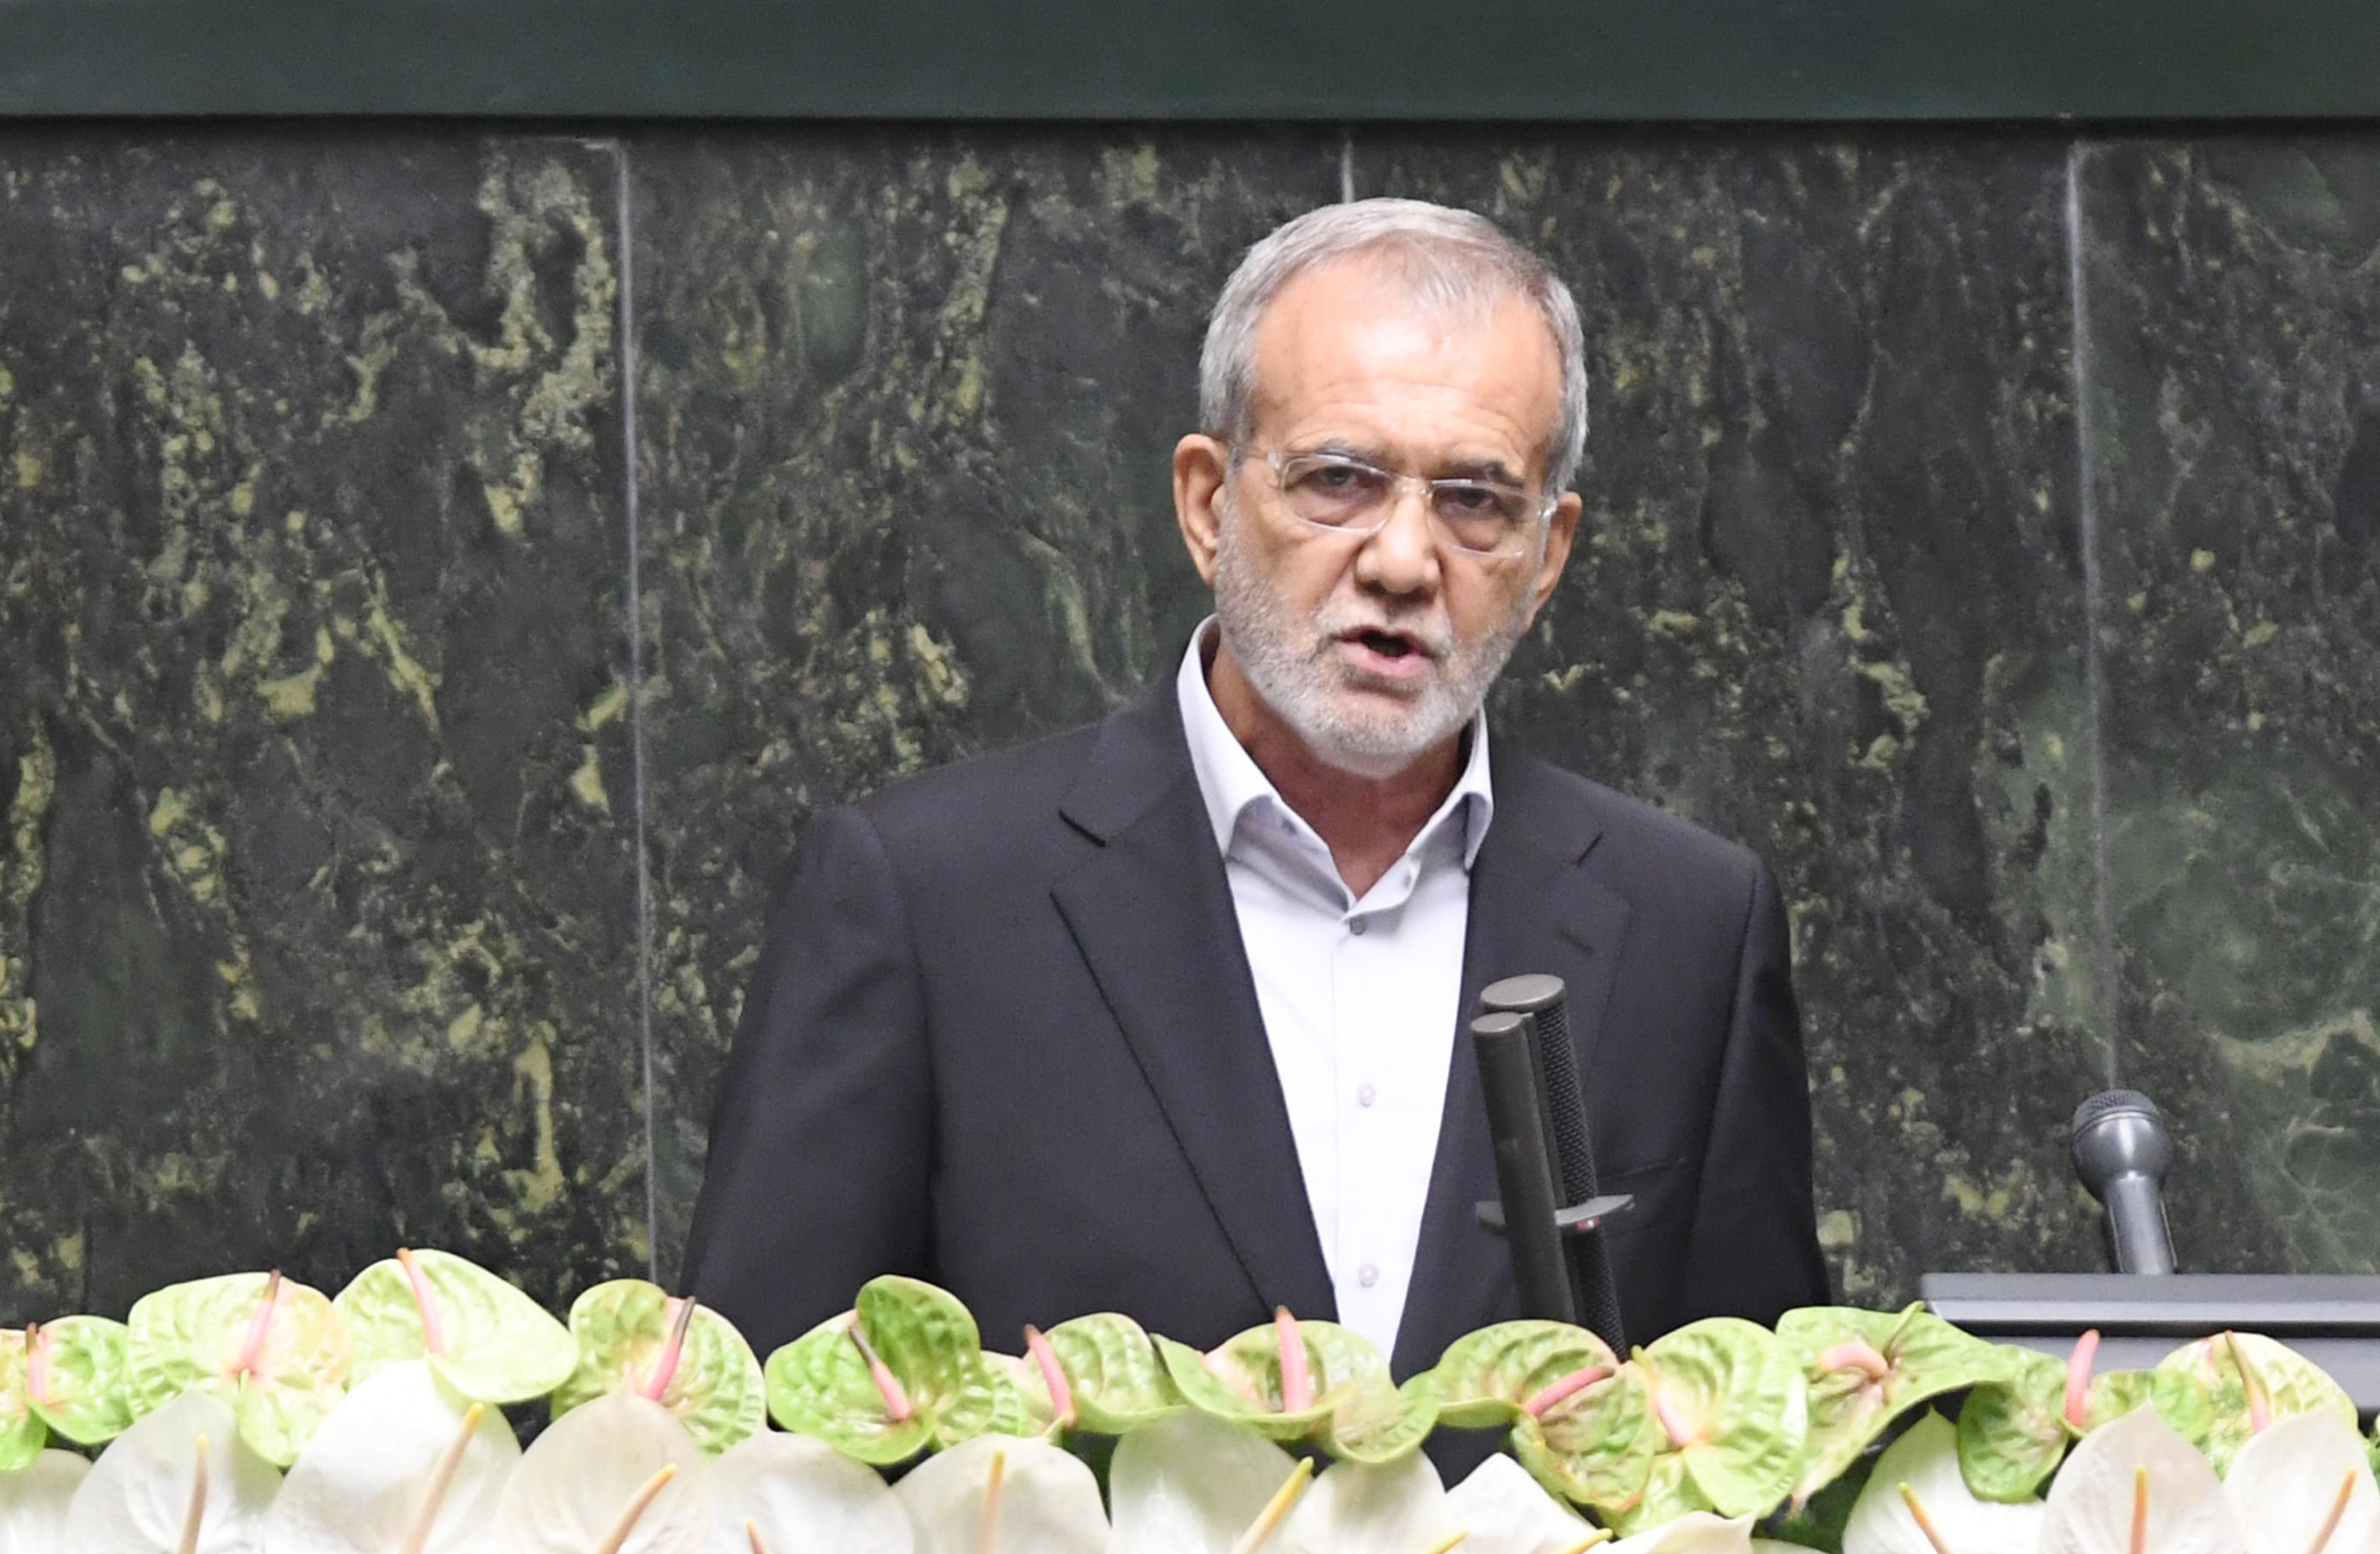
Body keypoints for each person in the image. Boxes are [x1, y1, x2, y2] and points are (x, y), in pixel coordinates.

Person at [684, 198, 1824, 1371]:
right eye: (1339, 479)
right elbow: (765, 1434)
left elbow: (1767, 1461)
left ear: (1547, 556)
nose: (1400, 561)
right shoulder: (929, 901)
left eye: (1475, 502)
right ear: (1207, 505)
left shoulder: (1693, 926)